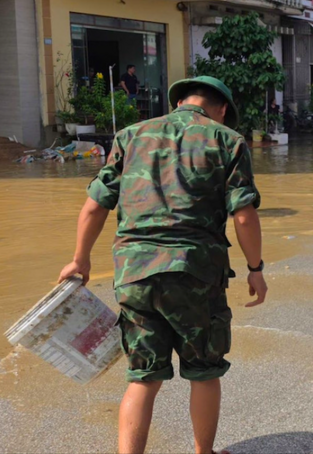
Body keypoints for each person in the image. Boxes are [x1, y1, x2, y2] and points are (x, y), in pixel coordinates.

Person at [58, 76, 266, 454]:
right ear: (220, 109)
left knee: (143, 377)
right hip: (196, 273)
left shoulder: (130, 136)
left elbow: (95, 205)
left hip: (134, 274)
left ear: (179, 102)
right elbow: (244, 216)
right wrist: (256, 267)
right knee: (203, 371)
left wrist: (80, 259)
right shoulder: (226, 139)